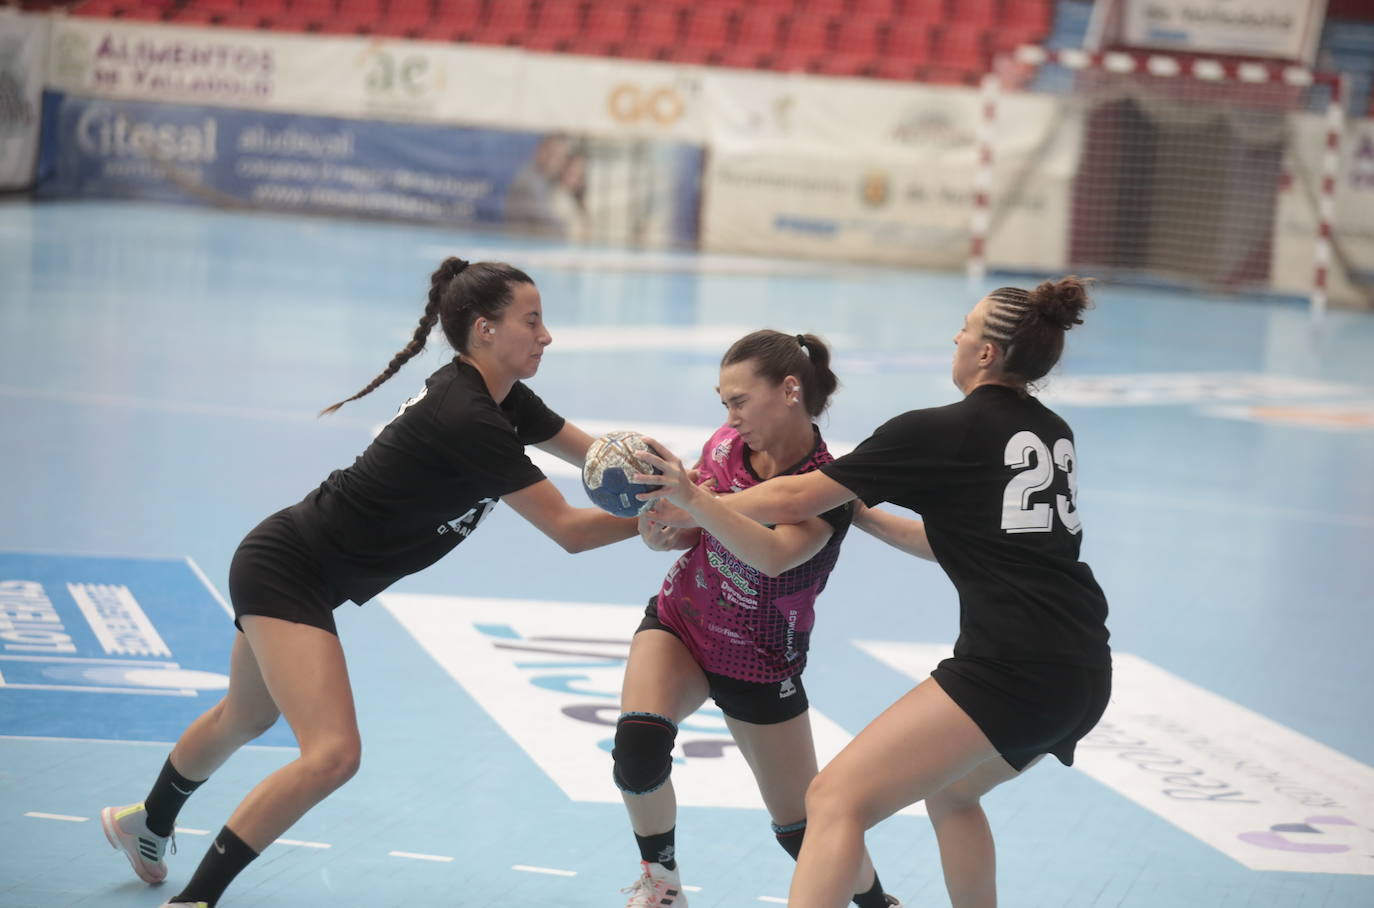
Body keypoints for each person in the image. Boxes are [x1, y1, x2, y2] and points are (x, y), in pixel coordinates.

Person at [99, 257, 645, 908]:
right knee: (332, 755)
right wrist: (666, 519)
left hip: (294, 563)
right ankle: (195, 900)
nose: (546, 335)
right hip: (289, 568)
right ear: (485, 330)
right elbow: (569, 529)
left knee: (245, 714)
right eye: (532, 321)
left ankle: (145, 823)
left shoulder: (503, 400)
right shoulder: (467, 416)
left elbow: (600, 460)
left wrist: (698, 488)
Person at [637, 278, 1112, 908]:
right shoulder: (1052, 433)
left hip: (1012, 667)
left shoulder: (941, 430)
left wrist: (694, 500)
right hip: (1083, 670)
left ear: (988, 353)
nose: (956, 337)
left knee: (833, 801)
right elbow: (958, 543)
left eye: (966, 328)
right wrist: (862, 513)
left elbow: (794, 497)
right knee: (954, 793)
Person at [618, 331, 899, 908]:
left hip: (759, 659)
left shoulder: (829, 483)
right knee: (638, 747)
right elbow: (686, 530)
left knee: (801, 831)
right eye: (724, 403)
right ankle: (662, 883)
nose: (730, 416)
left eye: (739, 401)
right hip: (684, 622)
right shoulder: (725, 446)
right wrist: (660, 528)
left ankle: (876, 904)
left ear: (789, 390)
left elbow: (773, 555)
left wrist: (694, 501)